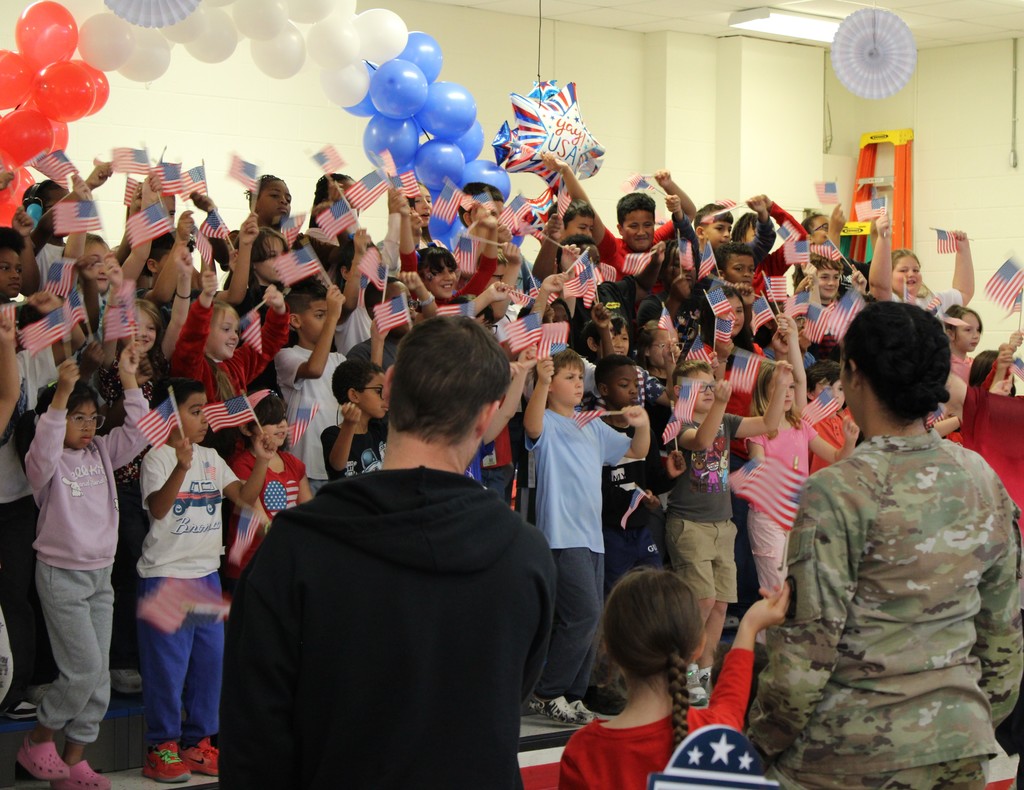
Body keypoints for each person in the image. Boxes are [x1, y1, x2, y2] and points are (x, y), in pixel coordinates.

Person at [220, 317, 556, 790]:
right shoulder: (526, 553)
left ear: (392, 385)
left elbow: (253, 737)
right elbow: (512, 691)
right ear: (488, 415)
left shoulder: (294, 545)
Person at [749, 301, 1023, 789]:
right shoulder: (982, 478)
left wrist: (757, 745)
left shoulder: (836, 490)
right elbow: (1003, 637)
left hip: (845, 757)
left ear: (853, 373)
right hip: (957, 749)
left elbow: (806, 656)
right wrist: (963, 720)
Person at [18, 349, 148, 790]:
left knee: (99, 681)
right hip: (61, 575)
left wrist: (129, 378)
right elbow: (42, 447)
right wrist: (60, 399)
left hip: (100, 576)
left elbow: (138, 430)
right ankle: (38, 740)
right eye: (78, 417)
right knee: (83, 670)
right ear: (58, 419)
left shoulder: (100, 453)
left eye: (93, 417)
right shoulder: (46, 466)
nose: (88, 424)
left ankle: (73, 762)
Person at [137, 377, 270, 783]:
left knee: (210, 666)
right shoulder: (156, 459)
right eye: (195, 411)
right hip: (166, 577)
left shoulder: (212, 458)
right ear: (167, 417)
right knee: (167, 669)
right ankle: (161, 746)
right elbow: (159, 510)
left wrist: (262, 458)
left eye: (203, 410)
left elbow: (245, 499)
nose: (204, 419)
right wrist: (180, 465)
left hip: (206, 576)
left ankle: (197, 743)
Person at [558, 569, 789, 790]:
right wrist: (749, 626)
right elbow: (732, 693)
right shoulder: (715, 731)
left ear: (608, 649)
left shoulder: (584, 751)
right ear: (699, 647)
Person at [524, 348, 650, 725]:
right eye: (569, 378)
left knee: (592, 621)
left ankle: (572, 694)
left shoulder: (591, 423)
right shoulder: (544, 418)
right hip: (562, 535)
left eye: (581, 378)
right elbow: (531, 428)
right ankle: (547, 691)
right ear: (548, 385)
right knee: (583, 615)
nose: (579, 384)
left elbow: (635, 451)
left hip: (591, 536)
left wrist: (641, 423)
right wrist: (542, 382)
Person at [275, 280, 346, 493]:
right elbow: (314, 369)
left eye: (328, 314)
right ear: (295, 321)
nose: (327, 321)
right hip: (304, 468)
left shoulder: (339, 359)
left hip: (337, 466)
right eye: (319, 315)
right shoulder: (287, 356)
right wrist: (333, 316)